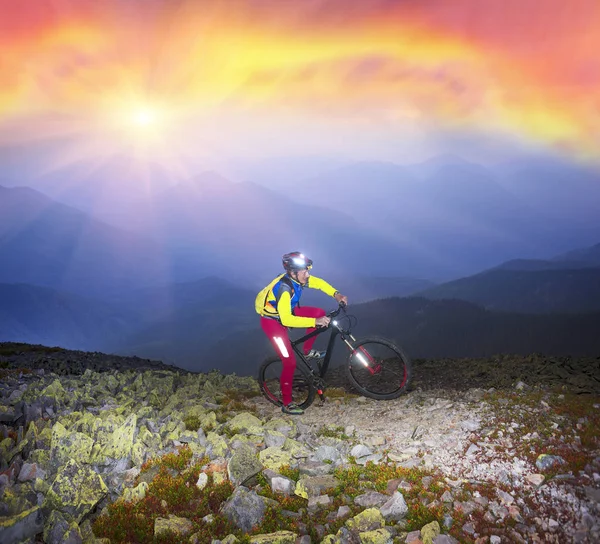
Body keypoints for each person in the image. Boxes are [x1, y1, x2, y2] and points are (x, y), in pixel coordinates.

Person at [257, 251, 348, 415]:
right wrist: (315, 322)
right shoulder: (285, 289)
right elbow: (286, 320)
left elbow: (318, 283)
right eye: (305, 271)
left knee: (318, 312)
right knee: (289, 363)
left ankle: (307, 352)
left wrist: (336, 294)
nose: (308, 275)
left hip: (287, 313)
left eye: (308, 271)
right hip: (273, 324)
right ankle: (287, 403)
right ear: (293, 272)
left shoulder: (296, 279)